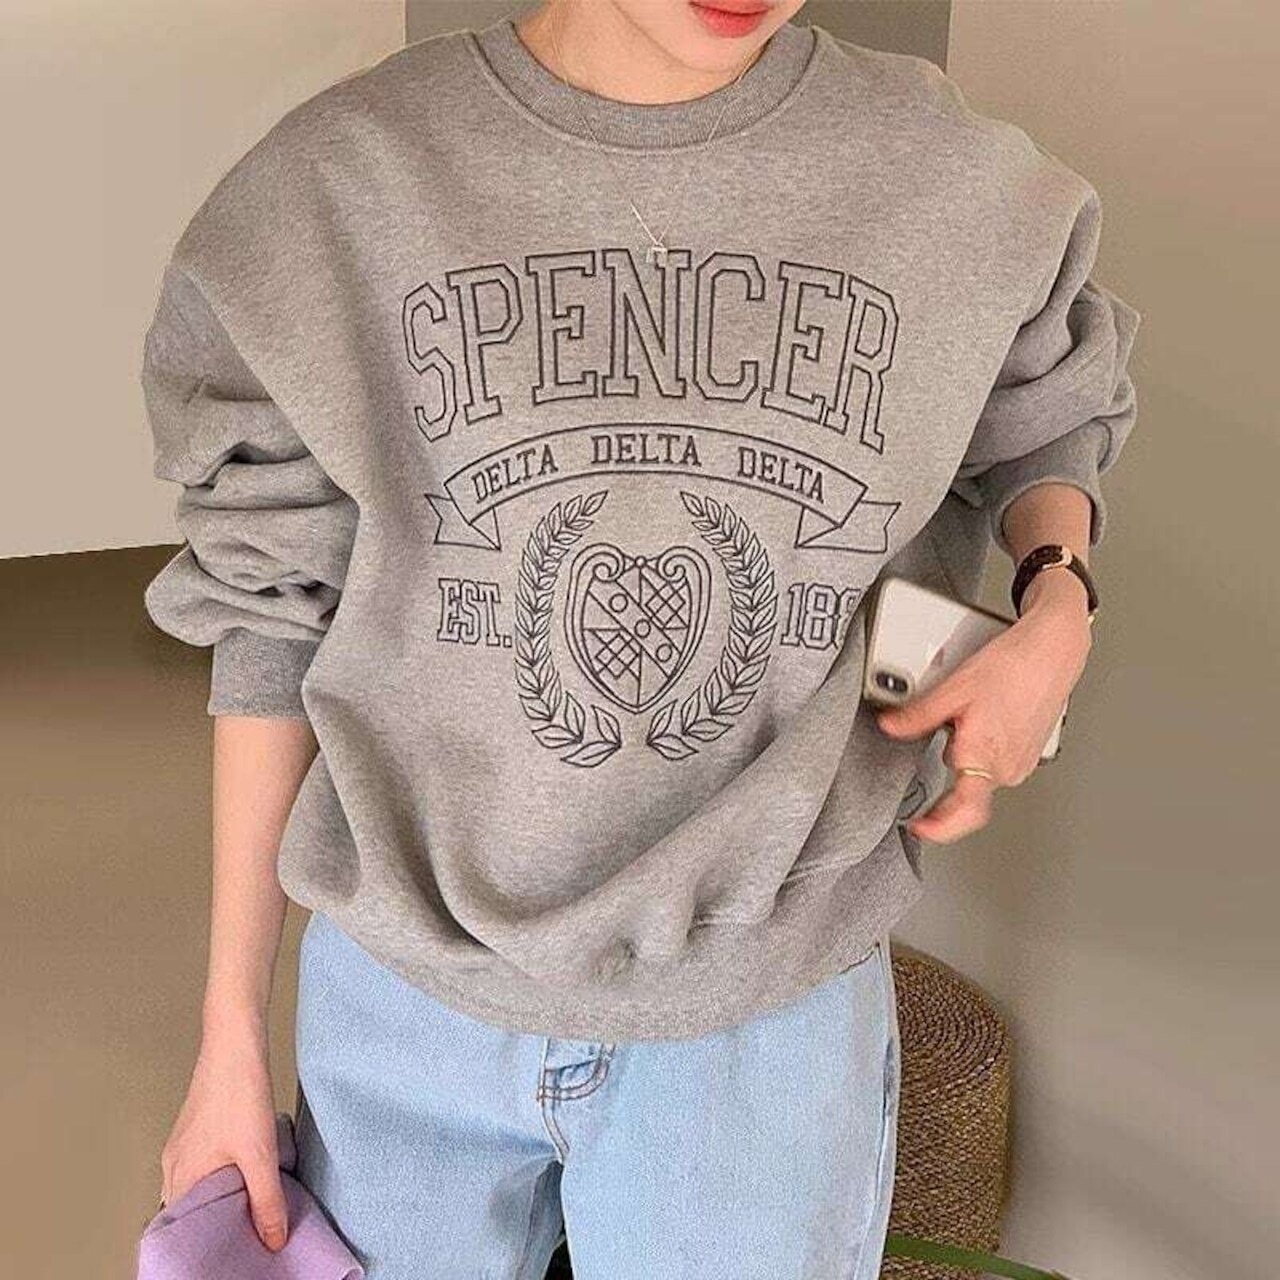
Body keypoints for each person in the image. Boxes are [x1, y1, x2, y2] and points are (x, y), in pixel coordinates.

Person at [140, 1, 1140, 1277]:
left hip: (765, 1015)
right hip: (405, 1003)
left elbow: (1048, 408)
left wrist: (1056, 600)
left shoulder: (948, 175)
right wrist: (228, 1031)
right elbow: (266, 610)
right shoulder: (333, 188)